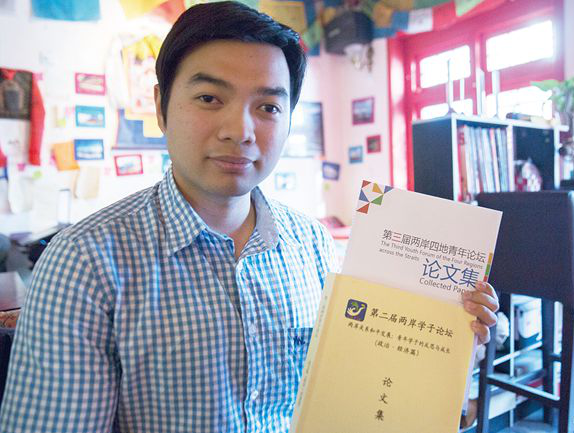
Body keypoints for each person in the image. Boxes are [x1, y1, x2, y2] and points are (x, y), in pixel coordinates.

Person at [0, 2, 499, 432]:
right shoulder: (84, 262)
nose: (239, 130)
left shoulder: (312, 245)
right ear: (161, 106)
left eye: (267, 107)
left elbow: (358, 392)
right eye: (209, 98)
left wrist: (447, 343)